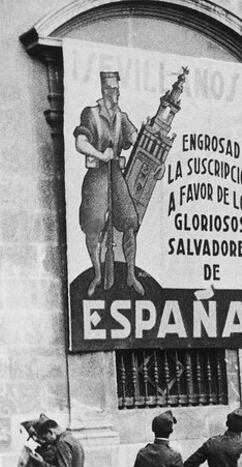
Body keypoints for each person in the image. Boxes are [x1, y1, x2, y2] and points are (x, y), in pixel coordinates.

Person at [74, 70, 144, 297]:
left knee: (130, 221)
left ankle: (131, 275)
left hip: (116, 174)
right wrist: (99, 153)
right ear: (104, 91)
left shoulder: (121, 118)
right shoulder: (91, 114)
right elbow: (80, 142)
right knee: (92, 224)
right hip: (97, 175)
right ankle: (97, 274)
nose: (117, 95)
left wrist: (145, 136)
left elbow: (135, 140)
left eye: (118, 90)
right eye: (113, 91)